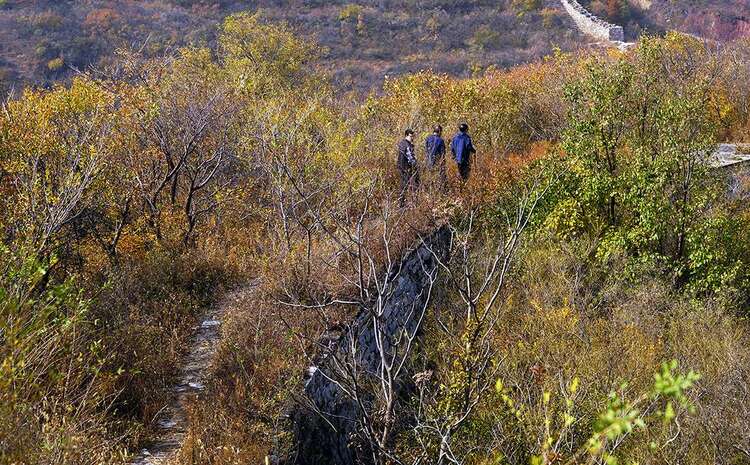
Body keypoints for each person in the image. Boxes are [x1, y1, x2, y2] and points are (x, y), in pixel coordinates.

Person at [397, 129, 419, 206]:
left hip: (401, 166)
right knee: (408, 184)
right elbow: (410, 157)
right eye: (411, 136)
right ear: (406, 135)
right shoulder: (407, 145)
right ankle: (405, 202)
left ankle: (402, 201)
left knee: (404, 184)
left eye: (413, 136)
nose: (412, 137)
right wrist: (416, 165)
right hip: (405, 167)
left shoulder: (402, 143)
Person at [425, 125, 447, 189]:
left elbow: (426, 150)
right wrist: (443, 162)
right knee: (438, 177)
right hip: (437, 161)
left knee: (430, 176)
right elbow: (443, 153)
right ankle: (438, 189)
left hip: (428, 160)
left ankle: (430, 189)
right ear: (439, 131)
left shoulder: (428, 138)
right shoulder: (440, 140)